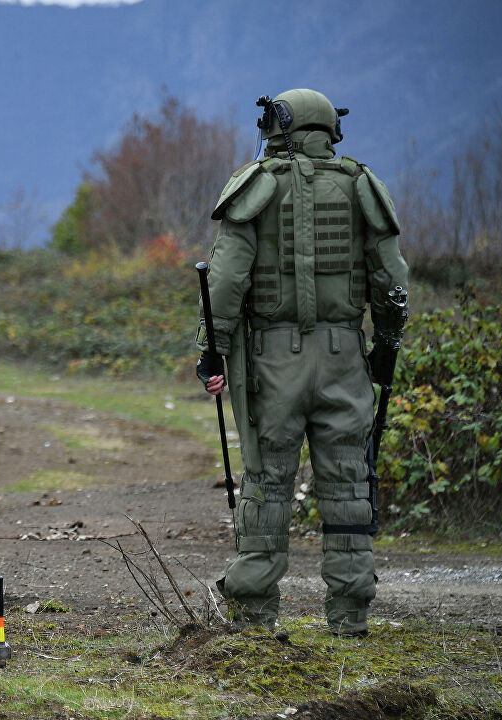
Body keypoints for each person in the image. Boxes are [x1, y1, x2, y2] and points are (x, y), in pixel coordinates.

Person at [197, 89, 409, 636]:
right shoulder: (362, 186)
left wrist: (212, 350)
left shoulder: (255, 187)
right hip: (344, 357)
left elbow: (223, 281)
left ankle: (255, 612)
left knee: (267, 482)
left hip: (272, 362)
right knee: (346, 482)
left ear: (277, 126)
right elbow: (393, 282)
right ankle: (349, 614)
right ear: (328, 129)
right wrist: (384, 346)